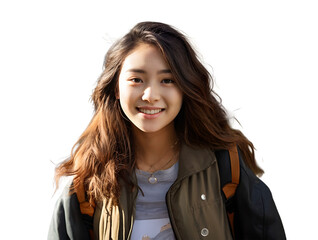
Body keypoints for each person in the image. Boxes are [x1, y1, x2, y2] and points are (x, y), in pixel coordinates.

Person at [48, 22, 285, 240]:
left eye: (168, 80)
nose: (150, 95)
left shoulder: (225, 166)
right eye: (136, 79)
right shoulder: (85, 181)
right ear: (116, 88)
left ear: (185, 88)